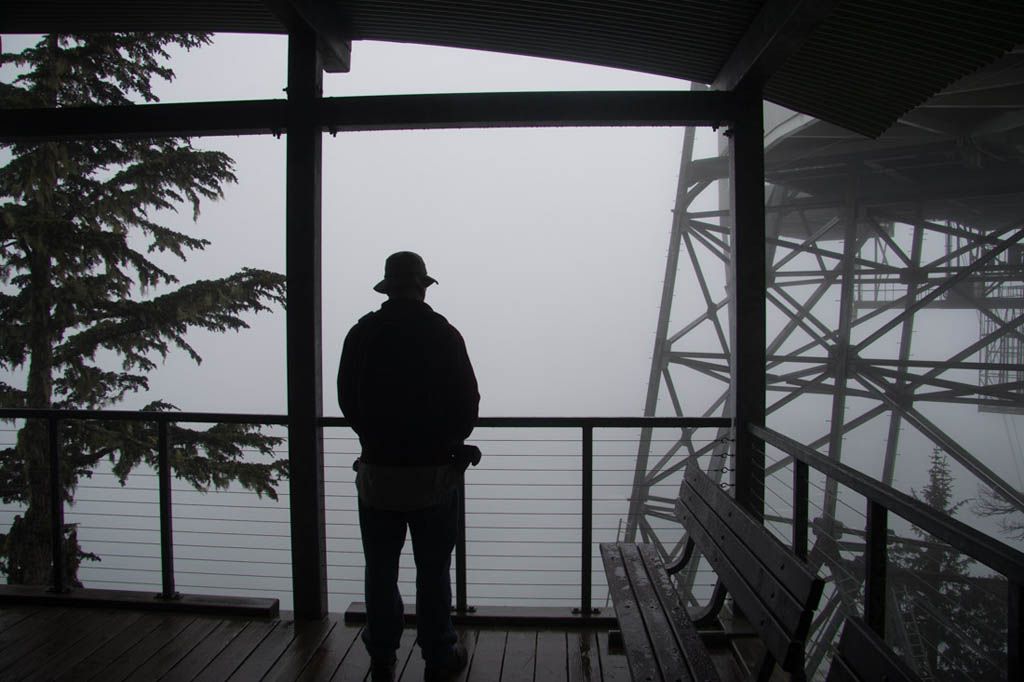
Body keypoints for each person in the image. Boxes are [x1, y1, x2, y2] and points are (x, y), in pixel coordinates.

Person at [338, 251, 480, 682]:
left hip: (378, 474)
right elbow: (467, 404)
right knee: (433, 571)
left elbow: (348, 400)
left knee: (380, 570)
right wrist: (449, 442)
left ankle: (382, 655)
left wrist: (374, 440)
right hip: (433, 475)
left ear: (387, 287)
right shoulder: (443, 334)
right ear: (423, 286)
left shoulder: (362, 333)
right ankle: (439, 654)